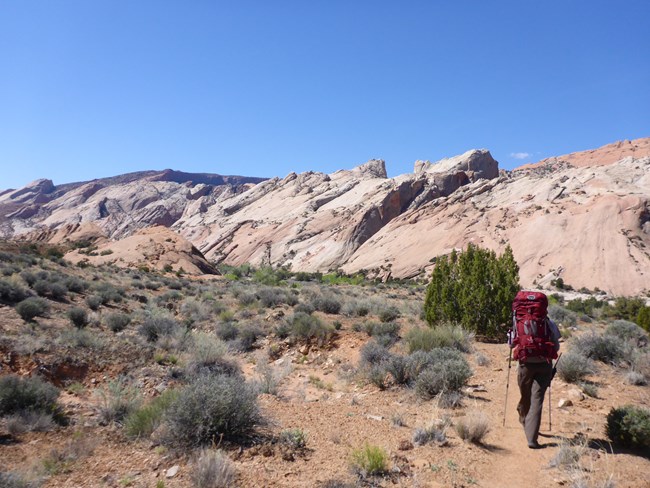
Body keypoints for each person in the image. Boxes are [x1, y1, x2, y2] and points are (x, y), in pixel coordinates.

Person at [509, 317, 561, 449]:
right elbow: (556, 345)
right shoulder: (549, 322)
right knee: (537, 399)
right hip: (544, 365)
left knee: (525, 395)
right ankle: (532, 438)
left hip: (525, 364)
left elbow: (510, 344)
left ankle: (524, 419)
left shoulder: (518, 321)